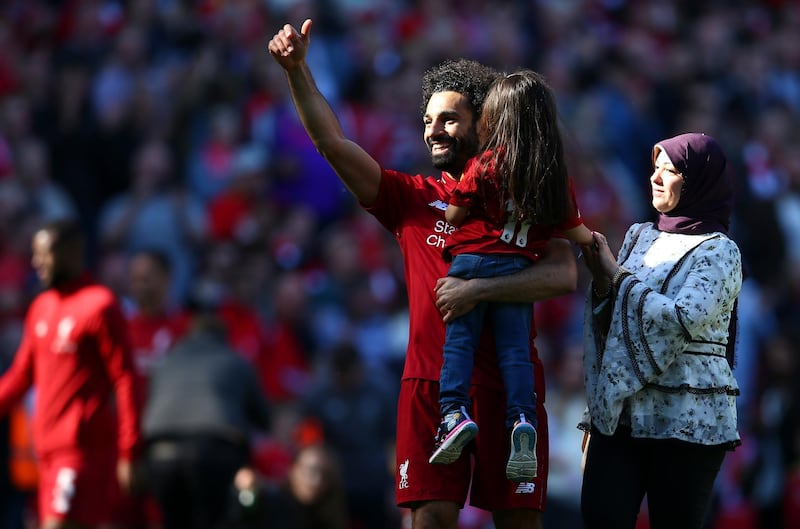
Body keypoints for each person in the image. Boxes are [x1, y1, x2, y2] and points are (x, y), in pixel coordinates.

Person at [268, 19, 578, 529]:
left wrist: (476, 289)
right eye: (428, 119)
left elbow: (563, 274)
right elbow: (333, 143)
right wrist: (298, 71)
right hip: (431, 385)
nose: (433, 130)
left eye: (449, 119)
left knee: (519, 522)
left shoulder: (524, 192)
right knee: (430, 519)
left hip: (510, 386)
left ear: (484, 125)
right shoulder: (410, 199)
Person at [431, 69, 594, 483]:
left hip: (472, 264)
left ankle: (452, 414)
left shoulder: (484, 163)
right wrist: (602, 250)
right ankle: (522, 418)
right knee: (515, 353)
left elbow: (453, 214)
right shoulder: (553, 177)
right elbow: (578, 233)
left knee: (460, 345)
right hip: (519, 269)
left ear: (497, 118)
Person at [579, 132, 743, 529]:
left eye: (669, 171)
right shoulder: (639, 235)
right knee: (600, 516)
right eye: (655, 168)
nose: (655, 177)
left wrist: (616, 279)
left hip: (688, 420)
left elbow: (684, 319)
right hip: (625, 411)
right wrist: (602, 283)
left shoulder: (719, 250)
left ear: (697, 181)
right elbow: (615, 317)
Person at [0, 219, 142, 529]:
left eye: (45, 254)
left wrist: (130, 451)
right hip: (45, 453)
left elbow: (126, 379)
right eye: (35, 254)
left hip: (82, 450)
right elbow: (22, 375)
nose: (36, 262)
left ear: (72, 254)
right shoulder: (41, 306)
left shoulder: (100, 306)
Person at [141, 292, 272, 529]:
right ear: (223, 337)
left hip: (159, 454)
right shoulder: (234, 360)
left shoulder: (168, 361)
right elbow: (263, 418)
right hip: (214, 451)